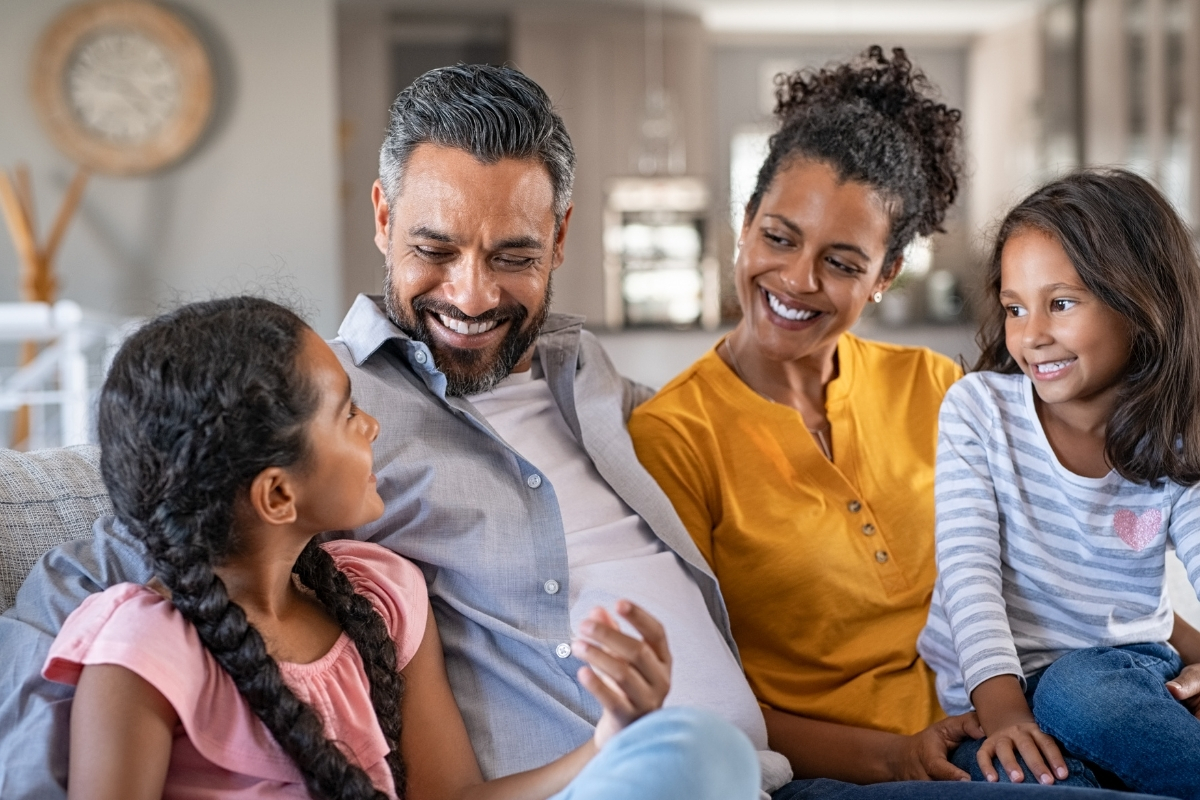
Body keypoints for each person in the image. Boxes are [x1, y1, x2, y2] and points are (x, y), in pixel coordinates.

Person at [0, 63, 1157, 800]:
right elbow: (104, 564)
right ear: (382, 216)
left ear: (562, 237)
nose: (469, 292)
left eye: (512, 255)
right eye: (434, 248)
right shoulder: (312, 414)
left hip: (770, 768)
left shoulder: (587, 370)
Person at [628, 46, 1200, 792]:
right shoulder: (674, 437)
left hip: (1014, 725)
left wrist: (1184, 652)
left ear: (885, 274)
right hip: (851, 772)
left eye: (842, 260)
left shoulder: (934, 387)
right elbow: (700, 700)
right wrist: (894, 756)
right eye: (778, 236)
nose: (797, 279)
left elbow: (1064, 573)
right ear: (743, 225)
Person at [47, 295, 757, 800]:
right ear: (277, 496)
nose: (374, 430)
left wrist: (609, 738)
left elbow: (452, 796)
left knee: (699, 747)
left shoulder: (380, 595)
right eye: (349, 415)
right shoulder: (144, 651)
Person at [917, 169, 1200, 797]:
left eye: (1061, 303)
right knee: (1019, 776)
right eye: (1015, 307)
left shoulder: (1176, 436)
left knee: (1077, 692)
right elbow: (969, 574)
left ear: (1142, 303)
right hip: (994, 698)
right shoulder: (979, 411)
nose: (1031, 334)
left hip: (1116, 678)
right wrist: (1005, 714)